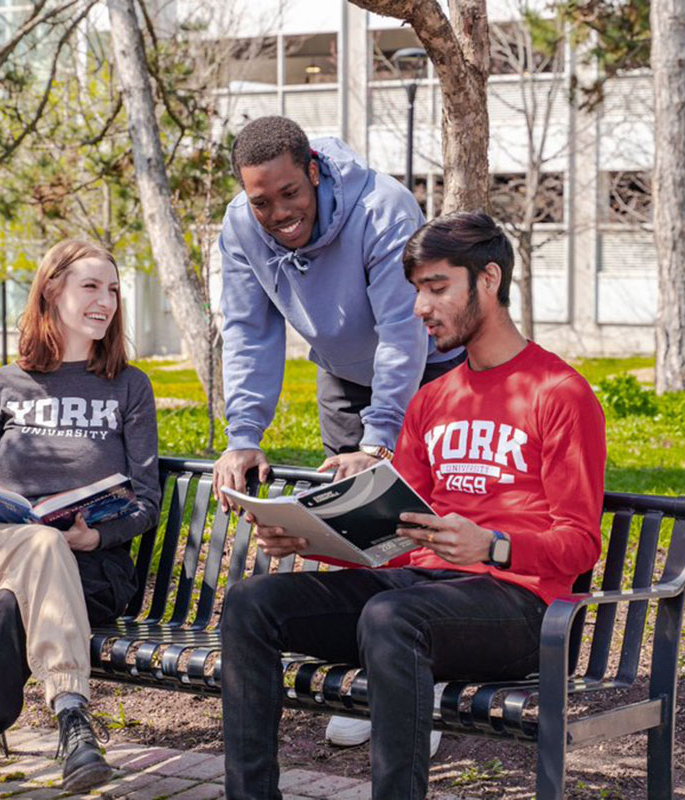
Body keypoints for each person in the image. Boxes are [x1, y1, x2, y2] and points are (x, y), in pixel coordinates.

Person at [219, 211, 607, 799]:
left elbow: (579, 543)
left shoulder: (559, 394)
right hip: (422, 597)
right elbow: (401, 540)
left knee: (391, 618)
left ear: (488, 280)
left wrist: (494, 545)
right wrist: (314, 539)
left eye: (436, 287)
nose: (420, 307)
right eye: (416, 291)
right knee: (252, 603)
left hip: (522, 609)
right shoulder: (431, 402)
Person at [213, 115, 463, 747]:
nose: (277, 212)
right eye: (261, 200)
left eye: (290, 193)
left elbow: (403, 332)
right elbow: (249, 330)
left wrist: (380, 442)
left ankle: (421, 688)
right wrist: (244, 432)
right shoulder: (241, 226)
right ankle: (375, 677)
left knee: (417, 521)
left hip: (429, 367)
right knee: (356, 529)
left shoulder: (383, 209)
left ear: (315, 172)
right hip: (341, 373)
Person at [0, 240, 161, 799]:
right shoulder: (4, 385)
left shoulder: (129, 387)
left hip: (93, 568)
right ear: (51, 291)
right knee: (37, 546)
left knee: (14, 605)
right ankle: (73, 719)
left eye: (112, 289)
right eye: (91, 286)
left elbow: (147, 504)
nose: (105, 300)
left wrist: (98, 534)